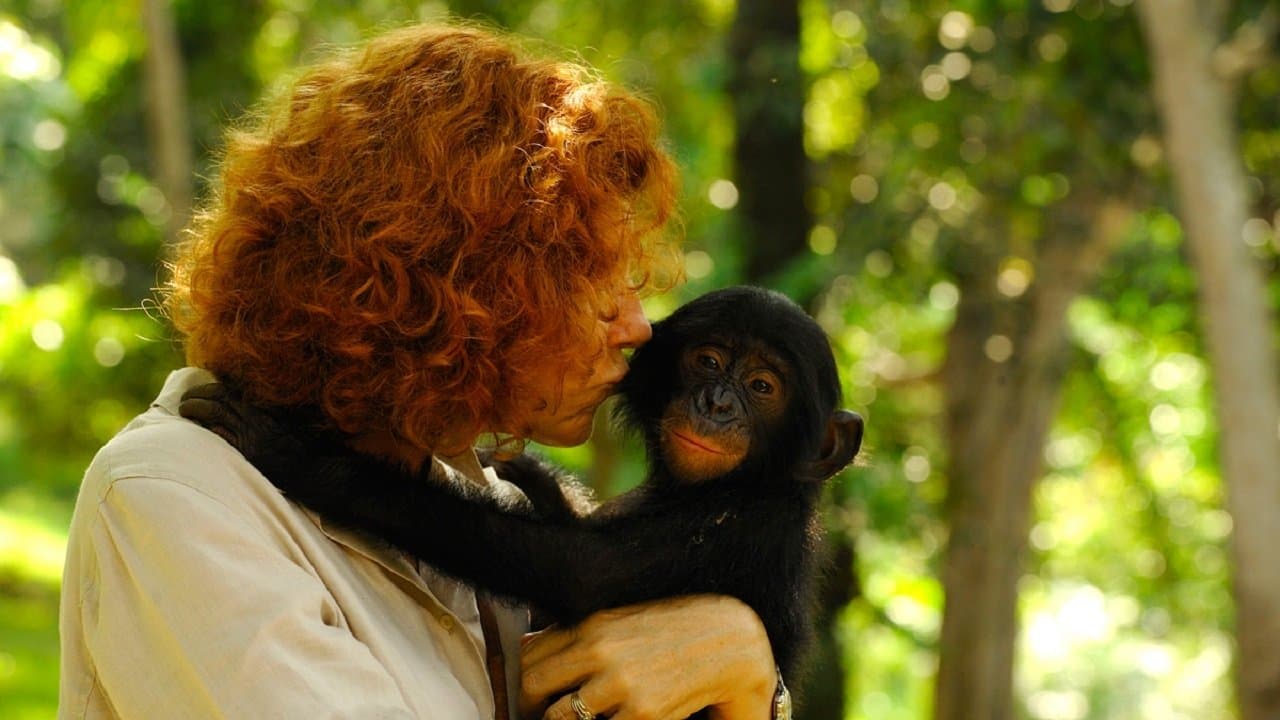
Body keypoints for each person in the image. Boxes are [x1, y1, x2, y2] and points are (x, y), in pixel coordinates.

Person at [58, 21, 781, 720]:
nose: (640, 327)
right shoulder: (177, 495)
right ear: (464, 292)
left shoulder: (470, 494)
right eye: (597, 286)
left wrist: (750, 684)